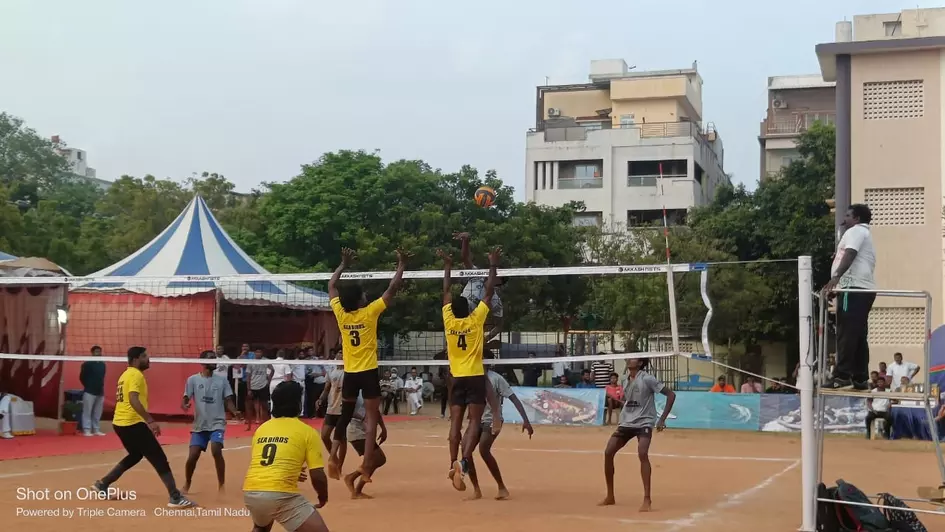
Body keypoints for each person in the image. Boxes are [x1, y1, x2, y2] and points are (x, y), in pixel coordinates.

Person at [326, 247, 408, 482]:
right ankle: (364, 464)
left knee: (345, 415)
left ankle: (333, 456)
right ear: (360, 300)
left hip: (351, 373)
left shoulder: (342, 314)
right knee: (371, 418)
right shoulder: (370, 312)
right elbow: (392, 289)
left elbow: (331, 287)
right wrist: (401, 264)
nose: (366, 297)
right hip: (369, 372)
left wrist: (342, 265)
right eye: (363, 295)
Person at [92, 346, 195, 508]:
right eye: (145, 356)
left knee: (135, 455)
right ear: (135, 359)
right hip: (132, 423)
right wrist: (150, 421)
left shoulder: (125, 374)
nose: (148, 359)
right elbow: (133, 400)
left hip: (120, 423)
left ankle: (103, 484)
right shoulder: (135, 375)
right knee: (159, 458)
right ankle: (175, 497)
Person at [437, 246, 503, 492]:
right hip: (474, 375)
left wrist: (447, 266)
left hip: (455, 377)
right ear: (469, 310)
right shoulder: (476, 321)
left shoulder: (448, 320)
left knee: (455, 423)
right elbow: (488, 292)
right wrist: (493, 264)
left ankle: (452, 462)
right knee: (474, 421)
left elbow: (445, 291)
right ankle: (463, 462)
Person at [243, 381, 329, 532]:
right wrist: (323, 496)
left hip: (251, 493)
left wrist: (292, 472)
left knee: (261, 527)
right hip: (280, 494)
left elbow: (268, 464)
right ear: (298, 403)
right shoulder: (307, 431)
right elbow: (317, 474)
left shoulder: (262, 429)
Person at [599, 357, 676, 512]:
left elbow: (671, 395)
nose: (629, 360)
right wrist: (620, 401)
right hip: (626, 422)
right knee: (608, 452)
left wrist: (661, 419)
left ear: (640, 363)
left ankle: (647, 499)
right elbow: (628, 400)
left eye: (633, 358)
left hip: (644, 422)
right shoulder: (625, 380)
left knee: (642, 453)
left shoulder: (647, 379)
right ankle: (610, 496)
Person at [823, 204, 877, 390]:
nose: (844, 218)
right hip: (862, 290)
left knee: (846, 333)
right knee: (858, 335)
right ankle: (860, 377)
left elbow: (851, 253)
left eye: (847, 215)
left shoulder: (855, 231)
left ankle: (842, 374)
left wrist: (836, 278)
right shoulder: (863, 233)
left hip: (852, 289)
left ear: (856, 218)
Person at [465, 360, 534, 501]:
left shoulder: (496, 378)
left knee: (484, 449)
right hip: (476, 420)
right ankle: (476, 489)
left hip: (492, 420)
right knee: (465, 450)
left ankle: (501, 487)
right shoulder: (470, 377)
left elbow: (513, 398)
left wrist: (526, 420)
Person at [182, 350, 241, 493]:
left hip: (217, 423)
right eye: (211, 359)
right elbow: (185, 398)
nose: (215, 361)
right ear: (202, 362)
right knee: (193, 456)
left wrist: (235, 411)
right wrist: (185, 404)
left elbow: (228, 400)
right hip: (200, 425)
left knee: (216, 449)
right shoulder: (193, 380)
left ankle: (221, 485)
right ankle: (187, 483)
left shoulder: (222, 380)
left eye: (215, 358)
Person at [455, 232, 504, 351]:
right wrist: (465, 241)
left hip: (472, 331)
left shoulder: (495, 300)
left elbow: (500, 326)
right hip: (456, 323)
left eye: (496, 275)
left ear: (499, 282)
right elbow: (465, 258)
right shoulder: (477, 275)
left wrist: (486, 338)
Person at [342, 392, 388, 499]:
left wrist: (383, 428)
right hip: (356, 431)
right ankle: (353, 483)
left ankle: (353, 481)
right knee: (377, 459)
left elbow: (375, 411)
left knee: (378, 459)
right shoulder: (358, 395)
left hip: (362, 431)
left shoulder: (367, 394)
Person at [316, 355, 347, 472]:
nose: (340, 354)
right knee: (324, 436)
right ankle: (335, 458)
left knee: (342, 438)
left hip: (343, 409)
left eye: (342, 352)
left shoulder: (349, 372)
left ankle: (339, 466)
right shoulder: (331, 372)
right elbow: (327, 388)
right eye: (339, 352)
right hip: (331, 408)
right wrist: (320, 399)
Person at [80, 345, 107, 437]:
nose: (98, 353)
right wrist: (88, 385)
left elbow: (102, 377)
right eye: (96, 352)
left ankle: (96, 429)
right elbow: (82, 377)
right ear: (92, 353)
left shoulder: (103, 364)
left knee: (97, 412)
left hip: (100, 391)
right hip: (89, 391)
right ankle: (87, 429)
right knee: (87, 411)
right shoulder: (87, 364)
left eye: (99, 351)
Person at [246, 348, 274, 431]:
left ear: (262, 353)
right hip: (253, 386)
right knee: (250, 406)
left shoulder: (265, 361)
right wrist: (249, 389)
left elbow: (272, 369)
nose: (258, 353)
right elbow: (248, 376)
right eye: (257, 352)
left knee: (264, 405)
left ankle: (265, 424)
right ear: (254, 353)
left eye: (260, 352)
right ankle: (249, 425)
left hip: (263, 386)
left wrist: (269, 379)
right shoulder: (251, 362)